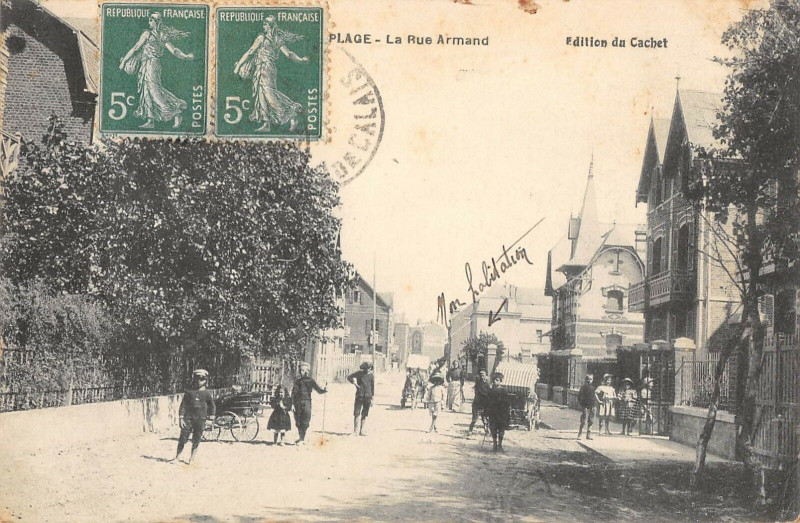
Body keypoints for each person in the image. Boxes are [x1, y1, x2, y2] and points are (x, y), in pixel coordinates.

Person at [233, 16, 309, 133]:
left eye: (265, 24)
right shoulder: (276, 38)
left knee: (268, 94)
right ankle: (266, 123)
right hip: (265, 68)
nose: (263, 26)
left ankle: (293, 112)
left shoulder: (262, 38)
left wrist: (238, 66)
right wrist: (300, 59)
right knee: (262, 94)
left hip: (265, 68)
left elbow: (250, 52)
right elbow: (289, 54)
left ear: (270, 25)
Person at [119, 12, 194, 129]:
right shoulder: (155, 34)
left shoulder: (151, 34)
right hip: (146, 64)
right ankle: (150, 120)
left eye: (151, 19)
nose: (149, 21)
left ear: (156, 21)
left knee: (154, 91)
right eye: (149, 19)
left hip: (152, 65)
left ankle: (176, 112)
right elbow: (138, 48)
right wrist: (185, 56)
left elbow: (172, 49)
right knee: (146, 91)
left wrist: (185, 56)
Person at [171, 369, 215, 465]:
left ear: (205, 380)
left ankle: (192, 459)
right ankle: (177, 457)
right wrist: (181, 417)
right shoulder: (189, 392)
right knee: (183, 438)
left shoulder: (207, 394)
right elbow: (183, 405)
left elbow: (212, 406)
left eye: (201, 379)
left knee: (196, 439)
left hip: (200, 420)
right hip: (188, 419)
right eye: (196, 379)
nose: (199, 381)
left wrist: (210, 419)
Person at [291, 362, 327, 445]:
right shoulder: (297, 381)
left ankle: (302, 438)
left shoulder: (311, 381)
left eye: (304, 370)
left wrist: (324, 390)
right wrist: (292, 404)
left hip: (307, 402)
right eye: (301, 370)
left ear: (308, 371)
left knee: (306, 420)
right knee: (298, 421)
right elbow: (293, 393)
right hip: (298, 402)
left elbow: (318, 390)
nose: (302, 372)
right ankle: (301, 438)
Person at [347, 362, 375, 436]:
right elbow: (349, 377)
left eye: (369, 368)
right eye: (366, 368)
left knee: (364, 414)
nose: (368, 370)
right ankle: (356, 431)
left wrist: (372, 398)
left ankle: (362, 430)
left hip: (368, 397)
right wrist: (355, 384)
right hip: (359, 396)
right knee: (357, 413)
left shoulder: (371, 375)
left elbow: (372, 387)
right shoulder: (359, 373)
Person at [486, 373, 511, 452]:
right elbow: (488, 402)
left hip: (501, 413)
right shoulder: (491, 391)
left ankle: (500, 445)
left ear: (500, 381)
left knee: (501, 429)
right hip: (493, 413)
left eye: (497, 380)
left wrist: (506, 413)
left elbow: (507, 403)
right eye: (494, 380)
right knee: (493, 429)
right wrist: (486, 411)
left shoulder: (503, 391)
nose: (495, 381)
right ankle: (494, 445)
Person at [467, 369, 490, 434]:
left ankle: (486, 430)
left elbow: (489, 392)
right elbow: (477, 392)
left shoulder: (488, 383)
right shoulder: (478, 383)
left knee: (485, 418)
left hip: (485, 403)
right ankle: (470, 430)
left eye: (483, 375)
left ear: (486, 375)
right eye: (481, 375)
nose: (482, 376)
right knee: (474, 419)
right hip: (477, 403)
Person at [577, 374, 595, 440]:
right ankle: (580, 434)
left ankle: (588, 434)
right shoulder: (583, 388)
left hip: (591, 405)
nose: (589, 380)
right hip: (584, 405)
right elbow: (580, 397)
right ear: (585, 380)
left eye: (590, 379)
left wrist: (593, 405)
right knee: (583, 420)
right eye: (587, 379)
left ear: (592, 380)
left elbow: (594, 397)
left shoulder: (593, 388)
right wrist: (581, 404)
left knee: (591, 420)